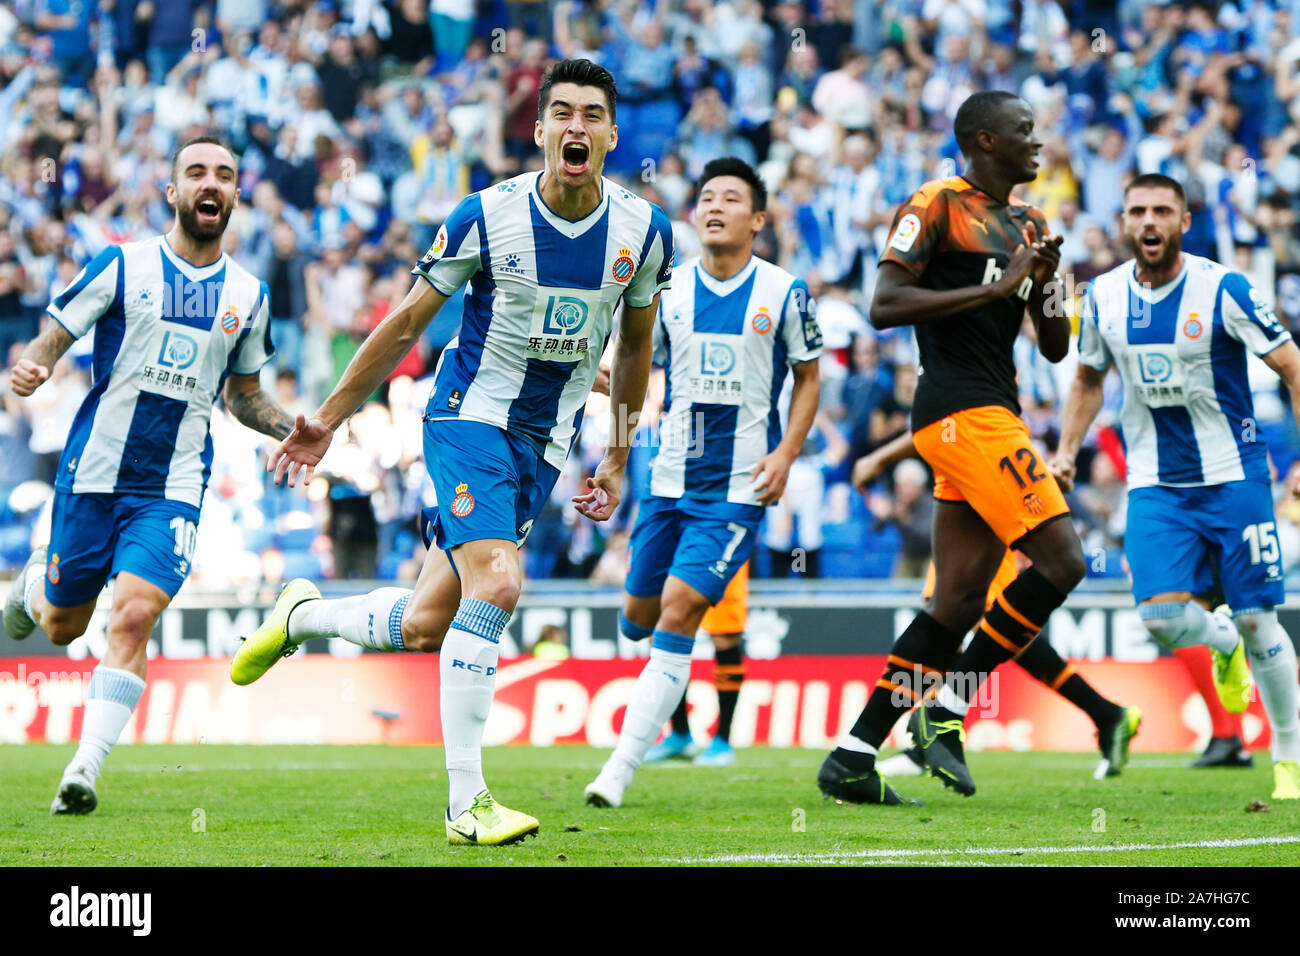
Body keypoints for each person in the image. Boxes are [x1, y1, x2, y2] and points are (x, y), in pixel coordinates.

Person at [230, 59, 674, 845]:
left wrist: (617, 453)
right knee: (499, 584)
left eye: (591, 116)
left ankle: (301, 615)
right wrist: (329, 419)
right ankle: (466, 804)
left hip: (540, 445)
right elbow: (404, 324)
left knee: (429, 622)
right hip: (468, 416)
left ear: (610, 135)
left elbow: (634, 347)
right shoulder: (485, 216)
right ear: (537, 131)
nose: (576, 128)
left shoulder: (644, 232)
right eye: (560, 113)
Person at [3, 137, 292, 815]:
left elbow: (243, 394)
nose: (210, 184)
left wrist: (289, 427)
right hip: (94, 473)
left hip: (173, 486)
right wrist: (36, 362)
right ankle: (34, 580)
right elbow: (56, 329)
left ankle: (82, 770)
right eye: (196, 172)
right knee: (61, 627)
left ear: (236, 195)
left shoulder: (249, 296)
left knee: (132, 618)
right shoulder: (124, 266)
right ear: (172, 192)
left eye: (224, 174)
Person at [817, 90, 1085, 806]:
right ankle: (944, 710)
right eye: (1025, 130)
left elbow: (1056, 348)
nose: (1038, 142)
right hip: (961, 411)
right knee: (1064, 560)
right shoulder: (935, 203)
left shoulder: (1030, 221)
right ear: (985, 140)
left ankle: (852, 755)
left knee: (959, 603)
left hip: (990, 411)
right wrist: (996, 286)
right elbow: (884, 305)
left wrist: (1045, 280)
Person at [1051, 173, 1300, 801]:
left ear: (1184, 222)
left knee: (1257, 617)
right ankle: (1221, 646)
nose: (1150, 221)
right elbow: (1086, 381)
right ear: (1125, 224)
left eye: (1163, 210)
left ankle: (1290, 754)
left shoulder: (1225, 288)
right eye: (1138, 211)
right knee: (1160, 615)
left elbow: (1292, 364)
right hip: (1156, 483)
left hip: (1236, 476)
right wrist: (1065, 452)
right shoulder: (1102, 297)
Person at [585, 156, 821, 808]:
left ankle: (618, 770)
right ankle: (673, 721)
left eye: (730, 198)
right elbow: (633, 366)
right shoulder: (670, 290)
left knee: (683, 609)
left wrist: (787, 453)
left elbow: (808, 376)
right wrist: (607, 416)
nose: (714, 207)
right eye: (706, 197)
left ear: (758, 219)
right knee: (638, 617)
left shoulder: (784, 291)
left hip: (737, 491)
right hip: (666, 483)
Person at [859, 431, 1142, 779]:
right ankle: (1107, 715)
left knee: (961, 623)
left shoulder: (972, 407)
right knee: (986, 633)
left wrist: (879, 457)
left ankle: (924, 744)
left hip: (977, 523)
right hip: (965, 513)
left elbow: (938, 421)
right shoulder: (970, 407)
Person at [645, 558, 750, 766]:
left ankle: (723, 739)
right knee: (662, 630)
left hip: (724, 537)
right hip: (674, 536)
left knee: (724, 634)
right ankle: (680, 732)